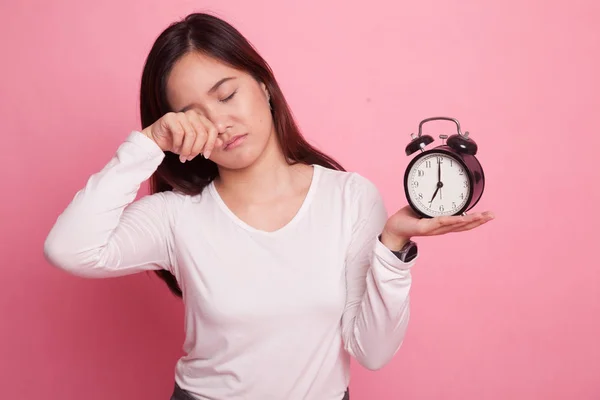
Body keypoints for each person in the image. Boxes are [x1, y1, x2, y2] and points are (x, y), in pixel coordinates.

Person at [43, 12, 494, 400]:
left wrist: (393, 246)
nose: (220, 123)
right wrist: (148, 146)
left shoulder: (349, 197)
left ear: (263, 83)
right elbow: (69, 249)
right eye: (195, 115)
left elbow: (373, 352)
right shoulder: (176, 215)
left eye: (226, 95)